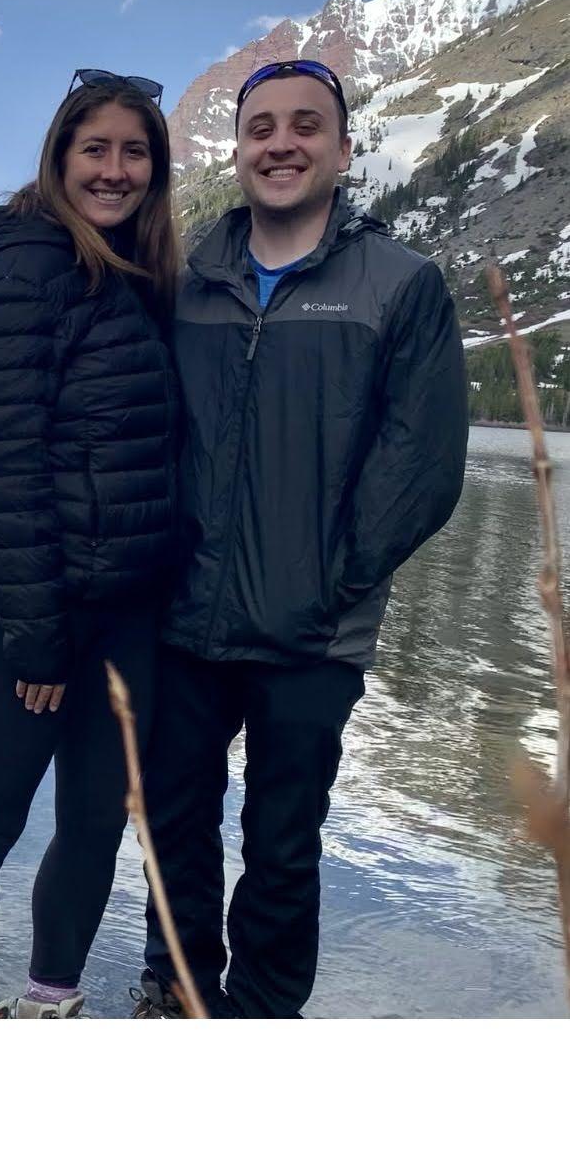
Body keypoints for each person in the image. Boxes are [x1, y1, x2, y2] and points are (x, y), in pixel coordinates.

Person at [130, 59, 468, 1020]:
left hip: (315, 628)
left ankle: (263, 1017)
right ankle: (174, 991)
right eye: (260, 128)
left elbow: (422, 466)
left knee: (283, 837)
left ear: (343, 150)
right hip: (184, 617)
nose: (280, 144)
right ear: (236, 152)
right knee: (175, 821)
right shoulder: (187, 276)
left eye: (304, 126)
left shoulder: (400, 285)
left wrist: (331, 579)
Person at [0, 69, 182, 1018]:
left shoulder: (132, 274)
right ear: (59, 156)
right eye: (96, 149)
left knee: (92, 824)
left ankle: (50, 1005)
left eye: (134, 152)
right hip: (23, 608)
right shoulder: (25, 268)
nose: (114, 171)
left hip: (125, 611)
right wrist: (38, 632)